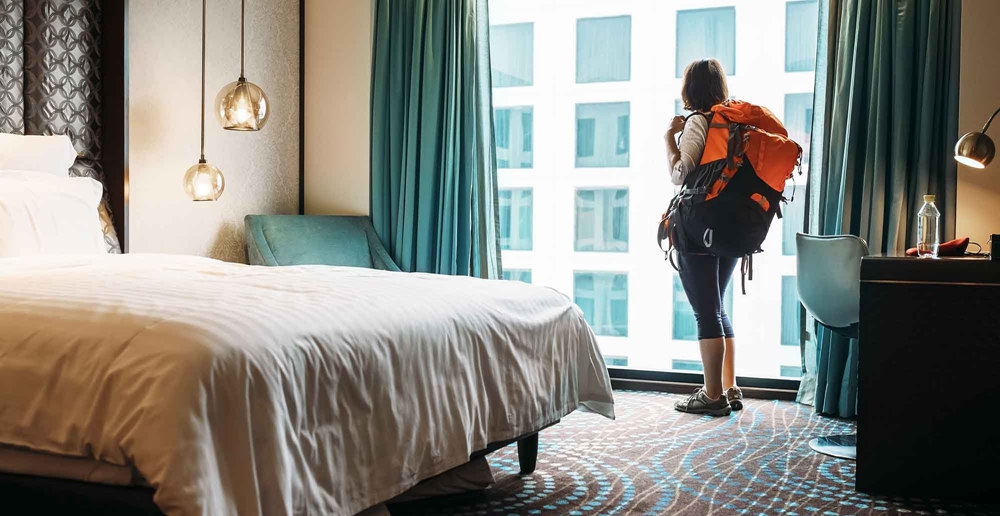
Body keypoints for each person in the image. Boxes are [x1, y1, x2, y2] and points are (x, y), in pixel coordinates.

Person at [664, 59, 741, 417]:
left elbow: (681, 174)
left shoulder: (700, 121)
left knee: (705, 311)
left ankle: (712, 396)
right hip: (732, 224)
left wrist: (670, 138)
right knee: (718, 305)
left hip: (698, 227)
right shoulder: (736, 120)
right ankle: (728, 387)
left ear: (689, 89)